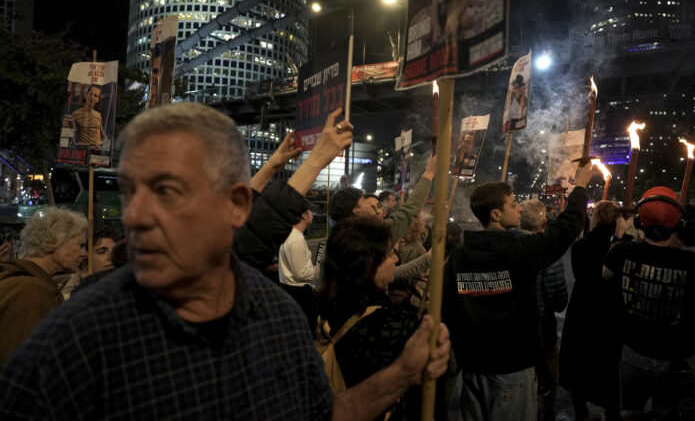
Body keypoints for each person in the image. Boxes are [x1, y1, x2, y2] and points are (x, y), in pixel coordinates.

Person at [0, 103, 451, 420]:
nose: (136, 215)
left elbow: (325, 413)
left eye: (167, 193)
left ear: (234, 207)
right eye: (133, 191)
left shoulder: (279, 321)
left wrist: (403, 374)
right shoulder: (76, 337)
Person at [442, 162, 593, 421]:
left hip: (473, 366)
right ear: (496, 214)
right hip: (512, 369)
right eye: (513, 204)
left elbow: (449, 308)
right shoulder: (520, 250)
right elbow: (566, 228)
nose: (520, 208)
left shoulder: (458, 256)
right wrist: (579, 187)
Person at [602, 186, 695, 416]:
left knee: (630, 412)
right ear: (677, 224)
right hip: (678, 357)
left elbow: (605, 274)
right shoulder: (691, 261)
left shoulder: (623, 251)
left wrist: (619, 235)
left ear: (640, 224)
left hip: (635, 351)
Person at [317, 217, 421, 420]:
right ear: (368, 265)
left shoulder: (324, 304)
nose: (396, 260)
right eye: (390, 254)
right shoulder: (391, 326)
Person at [559, 200, 623, 421]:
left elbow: (582, 275)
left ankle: (581, 411)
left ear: (595, 217)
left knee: (580, 360)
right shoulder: (624, 246)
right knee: (609, 365)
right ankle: (612, 413)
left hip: (584, 309)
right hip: (610, 311)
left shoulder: (582, 245)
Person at [0, 207, 87, 364]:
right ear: (51, 243)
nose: (84, 253)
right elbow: (27, 365)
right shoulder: (32, 291)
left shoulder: (22, 282)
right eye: (80, 245)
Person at [518, 200, 568, 421]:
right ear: (545, 222)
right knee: (545, 384)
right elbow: (558, 301)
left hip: (513, 328)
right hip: (541, 331)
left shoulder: (509, 246)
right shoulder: (549, 254)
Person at [329, 154, 436, 244]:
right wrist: (429, 173)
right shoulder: (373, 233)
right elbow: (410, 210)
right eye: (364, 200)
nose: (376, 210)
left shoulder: (336, 240)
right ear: (356, 209)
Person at [278, 201, 321, 329]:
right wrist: (321, 268)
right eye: (310, 211)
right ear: (303, 215)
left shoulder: (290, 235)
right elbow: (301, 274)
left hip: (290, 290)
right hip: (299, 294)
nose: (312, 214)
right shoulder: (296, 240)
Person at [60, 223, 123, 300]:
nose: (110, 257)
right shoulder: (73, 284)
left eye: (114, 251)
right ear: (87, 255)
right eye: (102, 252)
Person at [63, 84, 106, 149]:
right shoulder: (75, 114)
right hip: (85, 150)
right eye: (91, 94)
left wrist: (107, 146)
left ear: (97, 100)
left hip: (99, 149)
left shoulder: (98, 115)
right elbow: (71, 135)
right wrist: (66, 126)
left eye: (95, 96)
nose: (92, 97)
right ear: (86, 95)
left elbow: (101, 131)